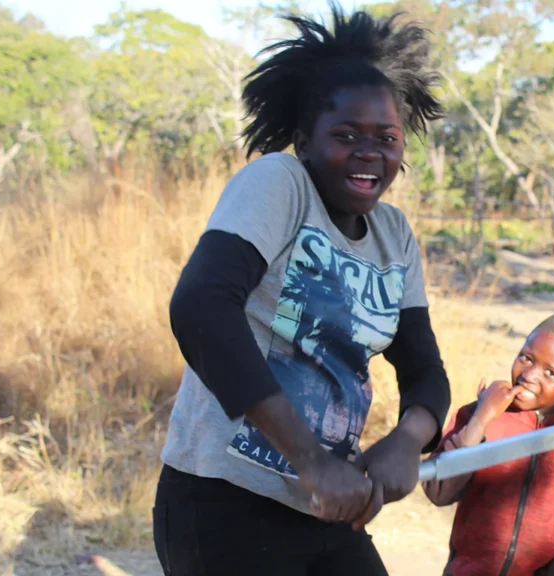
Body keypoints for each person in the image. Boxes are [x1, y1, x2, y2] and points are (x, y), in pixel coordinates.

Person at [152, 5, 450, 575]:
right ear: (303, 141)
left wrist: (409, 438)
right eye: (346, 135)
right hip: (223, 504)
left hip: (326, 509)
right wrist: (311, 459)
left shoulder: (394, 234)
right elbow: (201, 307)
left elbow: (425, 370)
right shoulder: (280, 184)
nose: (370, 152)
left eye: (387, 138)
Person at [423, 312, 554, 576]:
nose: (529, 375)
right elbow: (438, 492)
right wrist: (480, 421)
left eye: (551, 373)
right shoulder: (479, 416)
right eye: (526, 358)